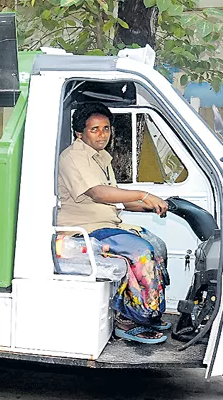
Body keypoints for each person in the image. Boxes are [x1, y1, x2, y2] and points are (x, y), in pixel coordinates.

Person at [57, 102, 171, 344]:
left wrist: (153, 204)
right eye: (94, 129)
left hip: (107, 226)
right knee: (140, 252)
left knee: (156, 244)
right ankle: (130, 320)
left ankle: (149, 312)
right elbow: (99, 194)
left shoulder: (101, 159)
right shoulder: (73, 157)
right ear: (80, 132)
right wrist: (144, 195)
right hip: (84, 230)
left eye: (106, 128)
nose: (102, 135)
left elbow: (118, 199)